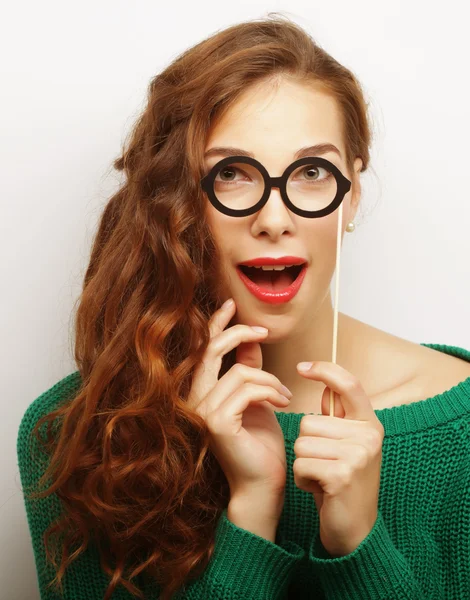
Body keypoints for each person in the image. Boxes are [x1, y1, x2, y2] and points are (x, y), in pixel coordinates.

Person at [17, 13, 470, 600]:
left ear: (352, 194)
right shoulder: (76, 438)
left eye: (311, 172)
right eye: (231, 174)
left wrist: (359, 544)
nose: (274, 220)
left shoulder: (460, 428)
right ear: (177, 201)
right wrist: (253, 511)